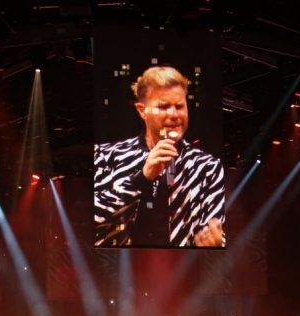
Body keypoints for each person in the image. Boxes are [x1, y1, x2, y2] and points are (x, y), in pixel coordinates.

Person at [94, 66, 225, 247]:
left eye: (179, 106)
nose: (174, 114)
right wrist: (142, 178)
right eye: (163, 107)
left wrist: (215, 244)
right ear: (142, 110)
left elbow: (215, 229)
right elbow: (95, 219)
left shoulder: (207, 166)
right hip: (115, 269)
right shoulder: (106, 155)